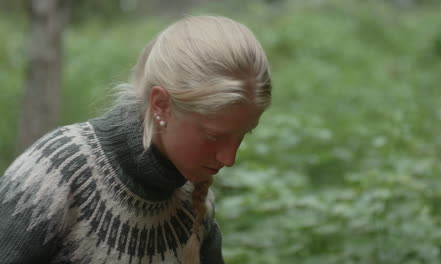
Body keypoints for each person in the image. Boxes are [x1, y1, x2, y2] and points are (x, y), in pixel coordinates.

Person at [0, 15, 271, 264]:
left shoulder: (196, 204)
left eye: (243, 134)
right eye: (214, 136)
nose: (229, 158)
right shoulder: (53, 174)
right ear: (161, 105)